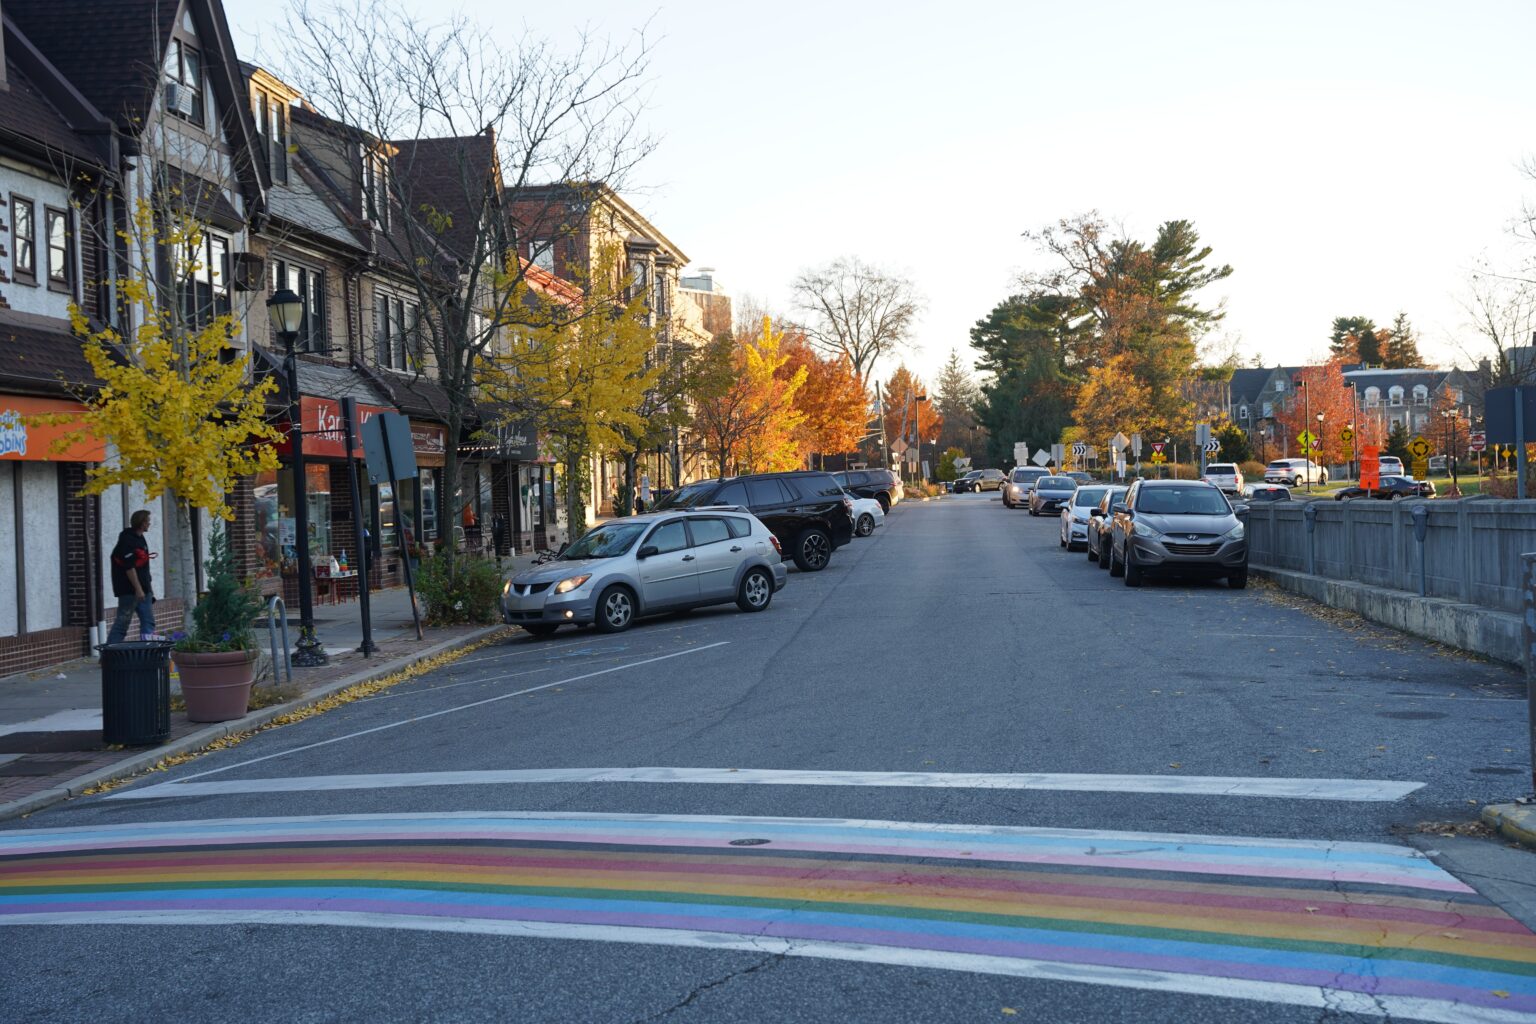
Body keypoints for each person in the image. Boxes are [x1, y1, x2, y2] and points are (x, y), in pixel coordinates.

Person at [107, 509, 156, 643]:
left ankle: (148, 652)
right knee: (122, 624)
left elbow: (143, 567)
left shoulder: (140, 538)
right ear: (141, 523)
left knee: (148, 622)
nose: (149, 524)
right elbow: (129, 567)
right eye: (147, 521)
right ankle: (109, 654)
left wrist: (148, 589)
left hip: (144, 590)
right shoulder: (127, 540)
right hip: (129, 591)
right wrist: (138, 589)